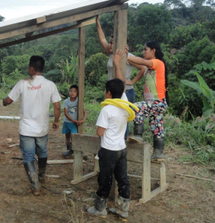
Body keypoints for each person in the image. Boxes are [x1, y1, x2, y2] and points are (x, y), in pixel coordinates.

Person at [3, 55, 61, 196]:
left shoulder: (23, 83)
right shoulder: (50, 85)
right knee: (42, 152)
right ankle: (41, 175)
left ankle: (35, 185)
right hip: (42, 129)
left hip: (26, 129)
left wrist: (4, 101)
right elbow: (57, 106)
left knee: (28, 156)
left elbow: (9, 100)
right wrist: (56, 121)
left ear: (31, 68)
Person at [114, 41, 168, 161]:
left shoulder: (157, 63)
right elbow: (138, 63)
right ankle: (158, 153)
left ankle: (138, 135)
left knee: (136, 107)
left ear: (153, 51)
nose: (143, 52)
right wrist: (127, 57)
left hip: (157, 102)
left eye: (145, 49)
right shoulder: (150, 66)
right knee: (157, 127)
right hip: (157, 103)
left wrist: (127, 55)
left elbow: (142, 62)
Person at [86, 77, 131, 221]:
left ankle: (100, 209)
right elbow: (122, 91)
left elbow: (100, 132)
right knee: (123, 179)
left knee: (105, 179)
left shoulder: (107, 109)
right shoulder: (125, 107)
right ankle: (123, 211)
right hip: (121, 149)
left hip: (108, 150)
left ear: (109, 93)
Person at [96, 15, 145, 139]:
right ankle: (111, 140)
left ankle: (123, 142)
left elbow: (143, 68)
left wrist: (132, 81)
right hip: (112, 91)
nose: (110, 44)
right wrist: (97, 22)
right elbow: (102, 39)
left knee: (123, 118)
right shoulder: (111, 53)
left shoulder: (127, 56)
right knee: (111, 116)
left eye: (113, 42)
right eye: (111, 41)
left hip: (125, 92)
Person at [61, 85, 87, 158]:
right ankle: (68, 150)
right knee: (67, 137)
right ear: (69, 92)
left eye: (74, 91)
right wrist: (74, 121)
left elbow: (84, 111)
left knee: (74, 136)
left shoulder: (79, 101)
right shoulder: (66, 101)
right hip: (67, 122)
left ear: (77, 93)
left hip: (74, 124)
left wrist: (83, 119)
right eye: (71, 91)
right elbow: (66, 113)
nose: (72, 93)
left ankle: (74, 150)